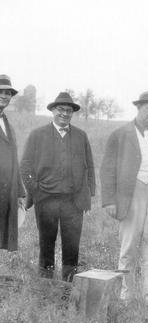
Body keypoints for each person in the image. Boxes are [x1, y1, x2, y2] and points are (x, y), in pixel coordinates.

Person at [100, 91, 148, 308]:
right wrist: (109, 200)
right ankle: (126, 295)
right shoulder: (121, 134)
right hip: (131, 193)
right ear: (138, 109)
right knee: (129, 246)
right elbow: (107, 169)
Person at [20, 92, 95, 282]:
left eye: (69, 111)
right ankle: (45, 288)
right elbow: (25, 165)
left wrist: (88, 195)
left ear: (72, 113)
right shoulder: (38, 135)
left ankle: (68, 290)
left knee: (72, 247)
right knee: (46, 245)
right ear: (53, 110)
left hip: (73, 202)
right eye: (60, 109)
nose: (64, 114)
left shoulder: (80, 136)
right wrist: (36, 192)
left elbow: (90, 166)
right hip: (46, 200)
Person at [0, 75, 25, 253]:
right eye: (0, 92)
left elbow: (13, 160)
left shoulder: (7, 123)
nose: (4, 96)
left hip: (6, 191)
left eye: (8, 93)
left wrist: (20, 192)